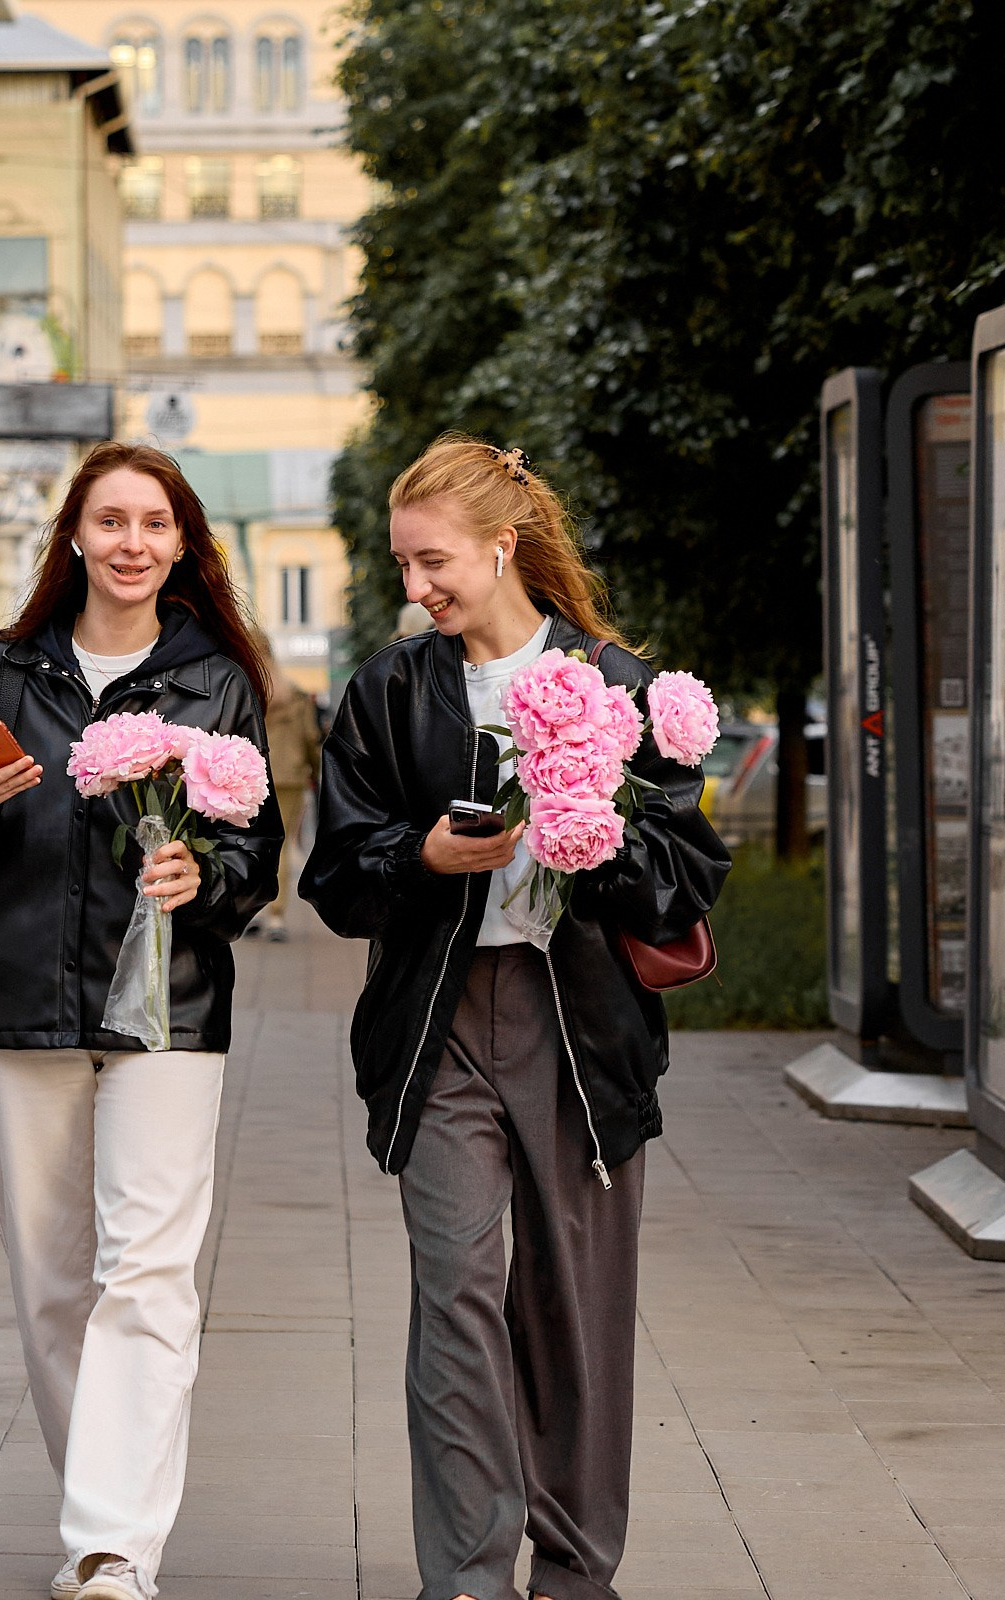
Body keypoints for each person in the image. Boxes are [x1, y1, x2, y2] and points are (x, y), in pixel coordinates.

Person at [302, 435, 729, 1600]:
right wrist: (422, 857)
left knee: (571, 1308)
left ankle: (576, 1572)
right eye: (403, 564)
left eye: (433, 561)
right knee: (453, 1295)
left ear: (502, 545)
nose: (416, 587)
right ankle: (467, 1575)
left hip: (578, 1033)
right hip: (439, 1028)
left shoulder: (620, 684)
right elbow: (335, 874)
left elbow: (686, 878)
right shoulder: (393, 689)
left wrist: (595, 834)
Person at [0, 442, 281, 1600]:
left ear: (182, 544)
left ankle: (111, 1547)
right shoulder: (2, 666)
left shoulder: (216, 679)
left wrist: (205, 880)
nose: (132, 542)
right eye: (111, 520)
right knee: (50, 1285)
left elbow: (257, 852)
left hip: (167, 1006)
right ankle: (102, 1514)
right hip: (18, 1002)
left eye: (154, 523)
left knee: (148, 1273)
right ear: (74, 533)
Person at [253, 633, 324, 942]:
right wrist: (317, 771)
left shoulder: (246, 690)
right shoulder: (293, 693)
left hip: (251, 776)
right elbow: (310, 738)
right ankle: (276, 915)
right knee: (280, 845)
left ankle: (256, 908)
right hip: (291, 776)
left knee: (253, 844)